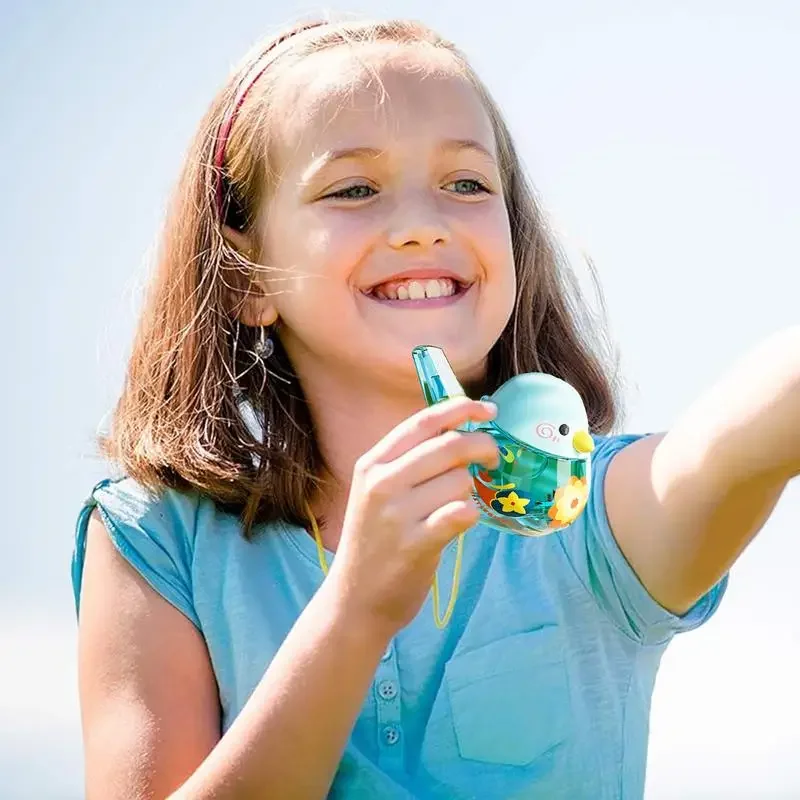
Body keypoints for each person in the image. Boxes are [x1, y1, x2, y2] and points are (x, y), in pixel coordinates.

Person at [71, 16, 799, 800]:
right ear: (249, 277)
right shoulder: (156, 542)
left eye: (467, 184)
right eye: (353, 189)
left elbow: (745, 434)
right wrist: (354, 613)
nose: (423, 225)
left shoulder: (592, 515)